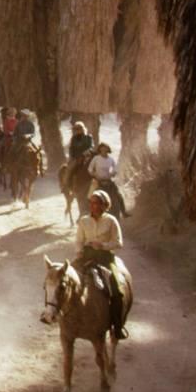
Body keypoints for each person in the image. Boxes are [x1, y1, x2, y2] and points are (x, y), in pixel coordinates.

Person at [75, 189, 128, 339]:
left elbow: (119, 242)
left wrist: (103, 245)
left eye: (97, 203)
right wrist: (79, 252)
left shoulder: (111, 220)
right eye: (91, 203)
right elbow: (79, 240)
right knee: (64, 278)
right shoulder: (84, 221)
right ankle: (60, 316)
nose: (94, 206)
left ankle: (117, 327)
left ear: (105, 205)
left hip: (105, 258)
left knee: (117, 290)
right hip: (86, 256)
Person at [87, 143, 129, 217]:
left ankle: (124, 212)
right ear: (100, 149)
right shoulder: (96, 158)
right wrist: (95, 175)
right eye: (102, 149)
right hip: (98, 181)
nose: (104, 150)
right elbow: (90, 169)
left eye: (105, 149)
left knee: (118, 195)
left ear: (108, 150)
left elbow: (115, 168)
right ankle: (90, 212)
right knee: (91, 196)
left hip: (108, 180)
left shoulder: (111, 159)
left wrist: (113, 173)